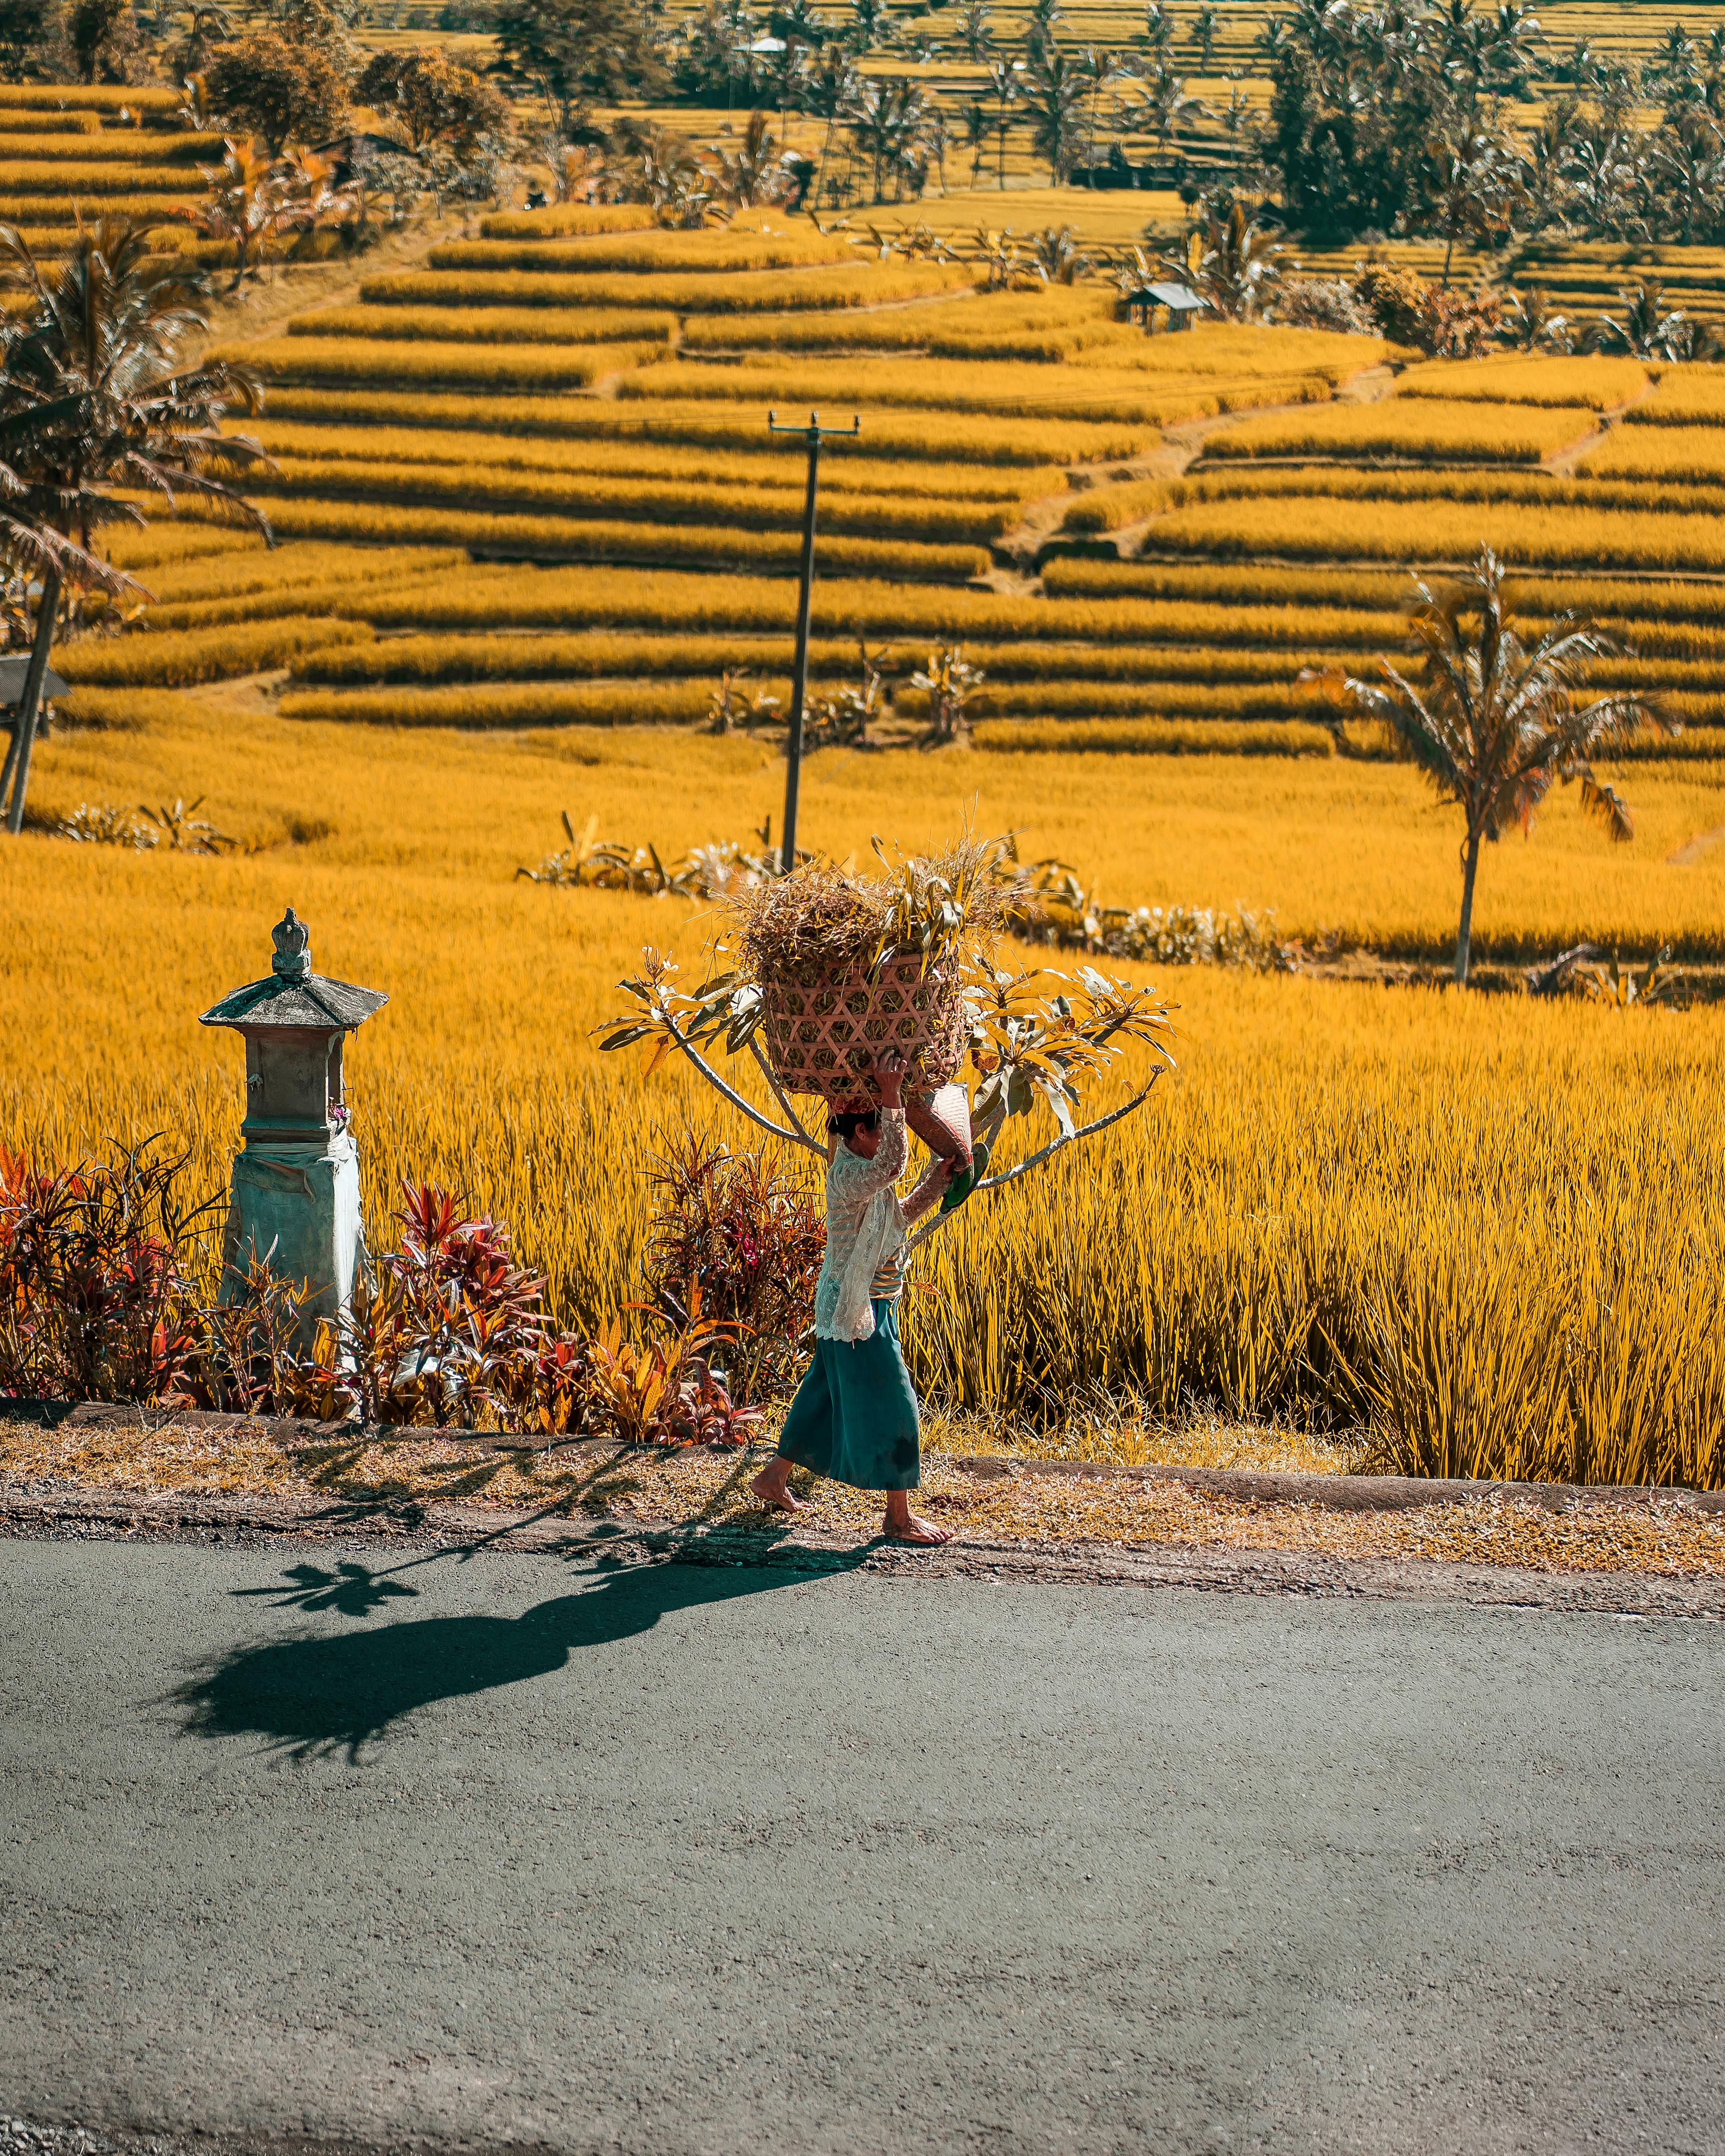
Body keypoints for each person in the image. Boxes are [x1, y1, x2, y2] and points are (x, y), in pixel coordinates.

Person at [752, 1049, 958, 1545]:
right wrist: (891, 1095)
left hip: (855, 1306)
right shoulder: (848, 1175)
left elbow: (896, 1216)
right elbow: (893, 1163)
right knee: (898, 1404)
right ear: (860, 1132)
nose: (885, 1140)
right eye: (881, 1128)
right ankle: (898, 1516)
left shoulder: (859, 1173)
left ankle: (772, 1478)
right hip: (856, 1314)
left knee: (821, 1397)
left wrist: (937, 1181)